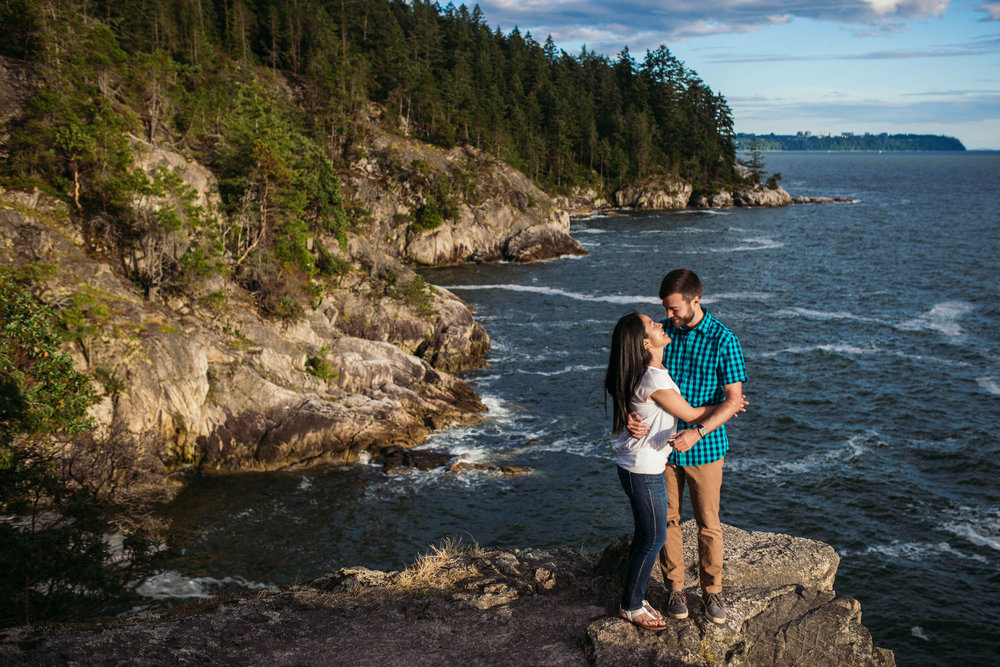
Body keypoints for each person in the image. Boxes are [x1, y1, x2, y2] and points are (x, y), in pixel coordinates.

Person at [605, 311, 742, 630]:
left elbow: (616, 378)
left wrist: (628, 408)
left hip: (636, 466)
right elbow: (693, 414)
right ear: (644, 343)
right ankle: (632, 604)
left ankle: (635, 599)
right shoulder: (653, 378)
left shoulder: (642, 369)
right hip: (644, 469)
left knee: (647, 535)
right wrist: (729, 405)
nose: (660, 323)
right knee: (653, 537)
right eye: (653, 324)